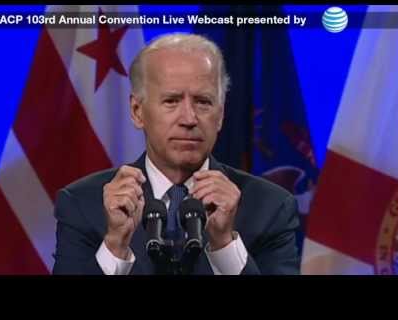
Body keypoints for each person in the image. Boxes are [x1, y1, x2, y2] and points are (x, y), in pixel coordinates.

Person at [52, 33, 300, 275]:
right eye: (171, 101)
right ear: (138, 111)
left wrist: (225, 244)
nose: (189, 119)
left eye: (203, 101)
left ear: (221, 115)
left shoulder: (270, 207)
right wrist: (115, 244)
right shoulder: (83, 203)